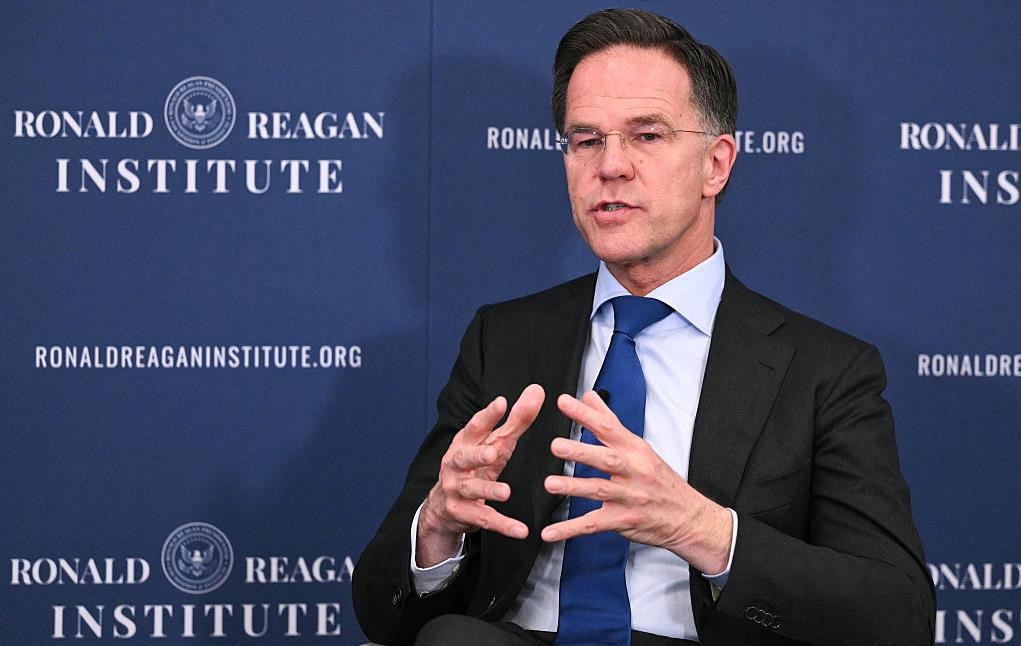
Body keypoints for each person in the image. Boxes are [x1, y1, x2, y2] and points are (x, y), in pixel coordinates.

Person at [353, 8, 935, 646]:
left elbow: (896, 614)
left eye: (647, 135)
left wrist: (697, 527)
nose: (611, 166)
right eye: (585, 140)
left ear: (716, 164)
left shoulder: (826, 370)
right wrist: (438, 527)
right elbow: (381, 612)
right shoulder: (505, 339)